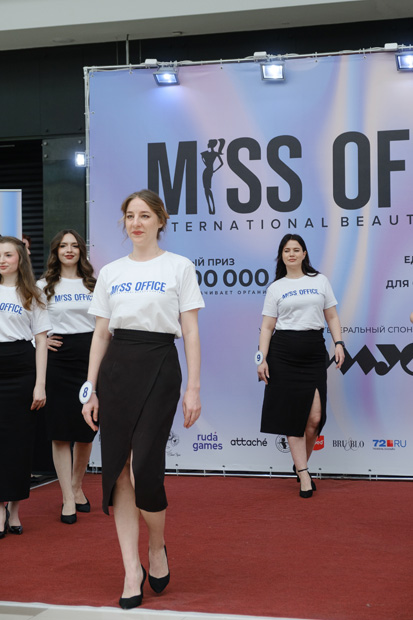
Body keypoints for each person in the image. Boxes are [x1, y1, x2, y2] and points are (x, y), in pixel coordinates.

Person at [82, 189, 204, 608]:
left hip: (160, 367)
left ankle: (156, 544)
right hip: (116, 370)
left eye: (145, 215)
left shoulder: (179, 266)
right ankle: (131, 570)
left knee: (144, 469)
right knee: (118, 470)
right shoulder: (111, 272)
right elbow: (101, 334)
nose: (136, 223)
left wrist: (193, 387)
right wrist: (90, 389)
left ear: (160, 221)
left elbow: (190, 331)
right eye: (130, 216)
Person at [257, 234, 344, 498]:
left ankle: (299, 465)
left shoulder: (320, 281)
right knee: (293, 417)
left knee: (314, 419)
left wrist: (339, 343)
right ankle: (304, 474)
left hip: (314, 353)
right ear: (281, 256)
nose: (292, 254)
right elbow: (267, 327)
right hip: (283, 355)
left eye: (296, 249)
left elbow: (332, 316)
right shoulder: (276, 288)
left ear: (304, 253)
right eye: (287, 250)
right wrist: (261, 359)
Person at [38, 230, 97, 524]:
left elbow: (104, 323)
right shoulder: (43, 286)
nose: (69, 250)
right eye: (63, 245)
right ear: (56, 251)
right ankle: (67, 497)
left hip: (90, 357)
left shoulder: (93, 284)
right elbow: (26, 322)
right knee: (60, 431)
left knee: (87, 429)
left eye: (74, 245)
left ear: (81, 251)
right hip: (58, 361)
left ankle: (77, 486)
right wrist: (38, 340)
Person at [0, 236, 50, 538]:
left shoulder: (33, 293)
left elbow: (42, 342)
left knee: (19, 443)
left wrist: (40, 385)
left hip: (21, 369)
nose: (2, 260)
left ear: (20, 258)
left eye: (8, 254)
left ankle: (15, 508)